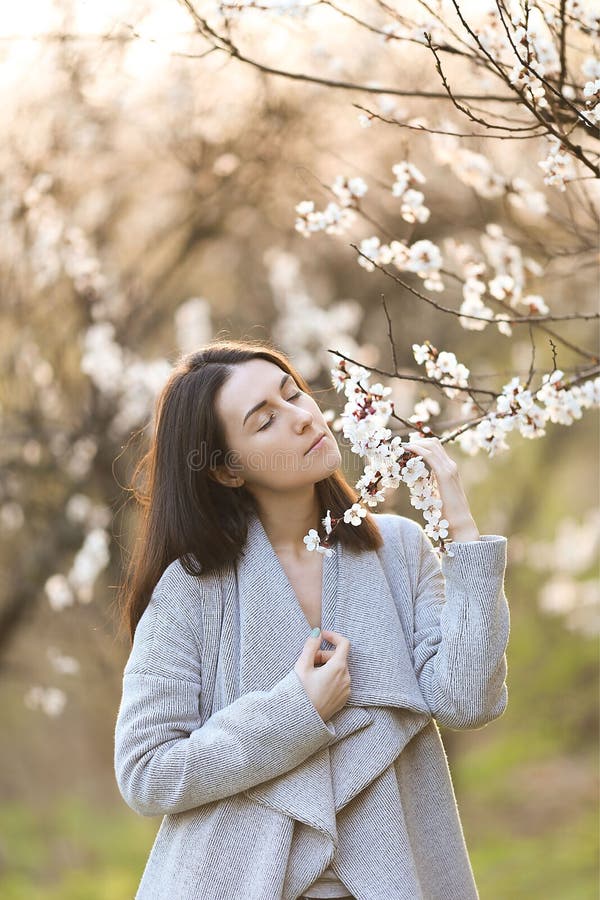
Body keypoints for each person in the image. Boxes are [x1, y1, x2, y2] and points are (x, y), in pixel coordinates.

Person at [113, 338, 510, 900]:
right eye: (265, 420)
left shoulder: (398, 550)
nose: (303, 419)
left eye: (294, 393)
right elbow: (146, 772)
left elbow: (468, 700)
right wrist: (296, 711)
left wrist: (464, 535)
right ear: (227, 470)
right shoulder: (192, 589)